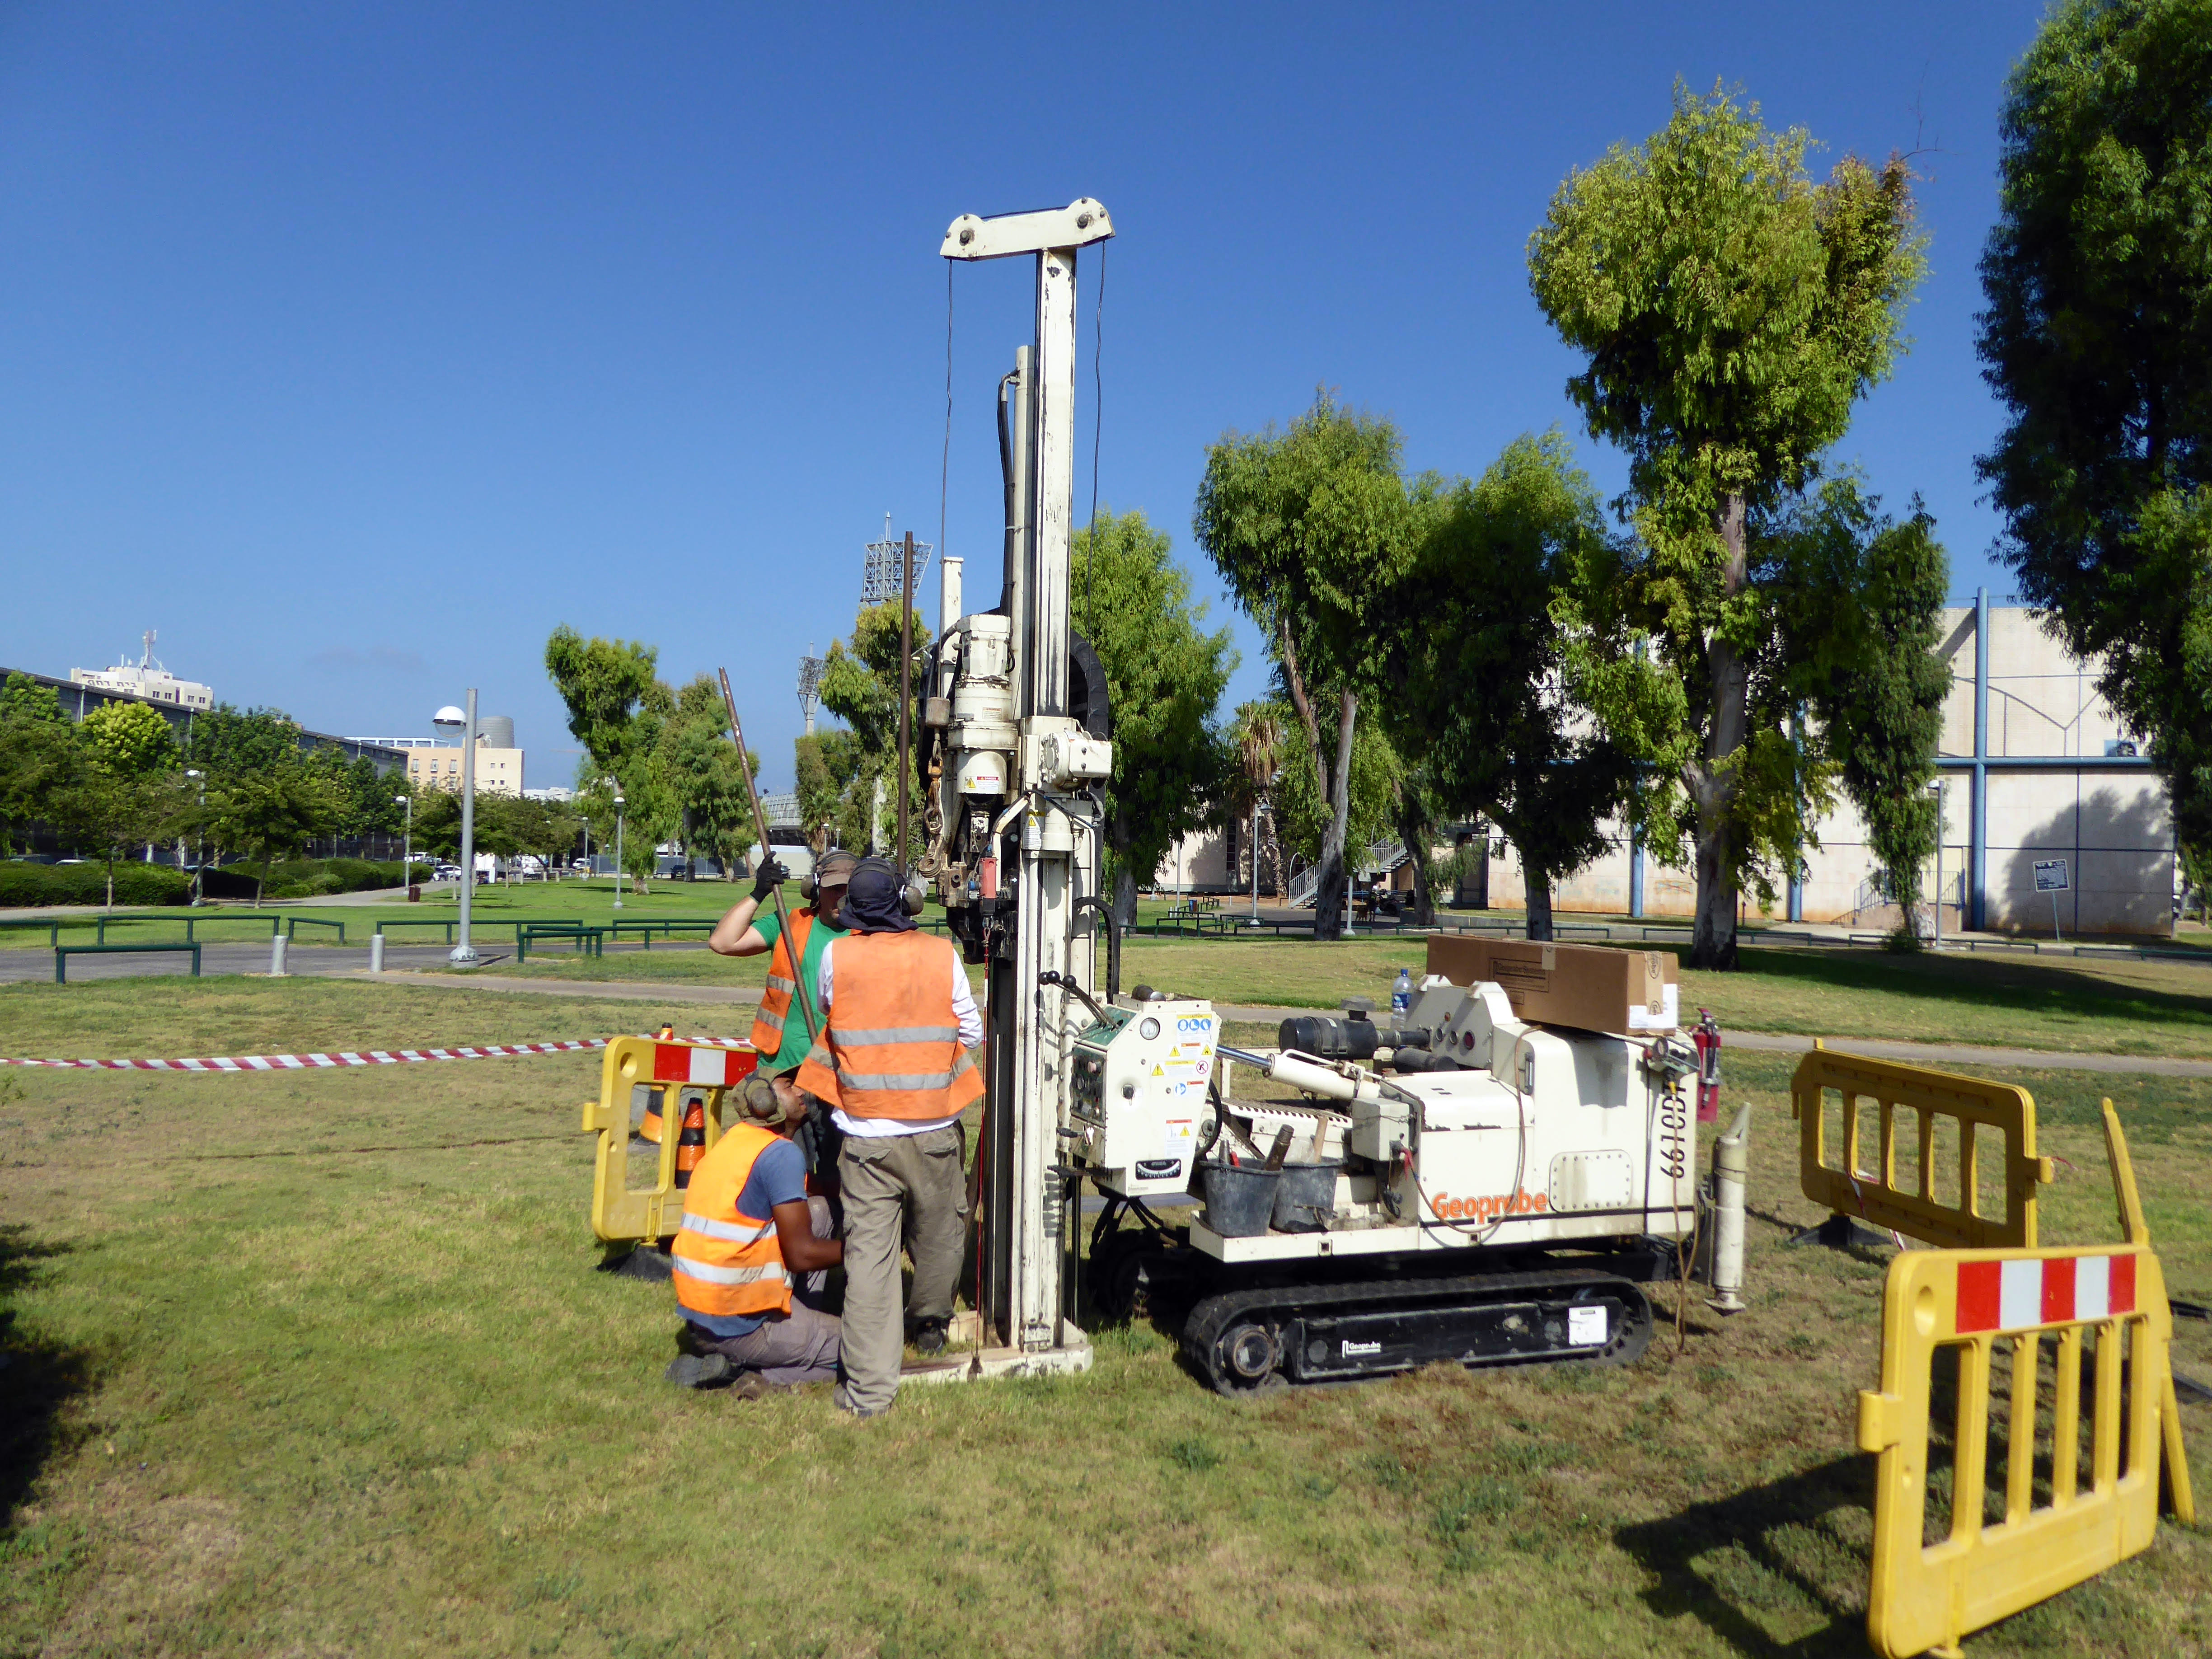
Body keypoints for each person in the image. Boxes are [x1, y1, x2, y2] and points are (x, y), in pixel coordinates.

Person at [796, 857, 979, 1420]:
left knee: (870, 1261)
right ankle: (929, 1321)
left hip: (865, 1137)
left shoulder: (835, 954)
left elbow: (832, 1012)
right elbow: (970, 1029)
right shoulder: (940, 954)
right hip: (934, 1132)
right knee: (941, 1235)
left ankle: (869, 1394)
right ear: (908, 904)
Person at [665, 1072, 843, 1395]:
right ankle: (747, 1374)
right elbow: (800, 1255)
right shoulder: (780, 1154)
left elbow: (809, 1190)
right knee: (862, 1346)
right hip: (743, 1326)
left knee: (818, 1210)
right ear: (767, 1102)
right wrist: (863, 1249)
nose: (803, 1090)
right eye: (790, 1086)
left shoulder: (736, 1142)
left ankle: (784, 1329)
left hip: (704, 1318)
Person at [711, 848, 855, 1186]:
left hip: (841, 1079)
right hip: (786, 1078)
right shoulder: (789, 923)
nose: (842, 897)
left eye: (850, 888)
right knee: (786, 1176)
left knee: (841, 1180)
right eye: (834, 888)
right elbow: (722, 942)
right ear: (816, 889)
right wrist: (758, 893)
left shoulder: (871, 936)